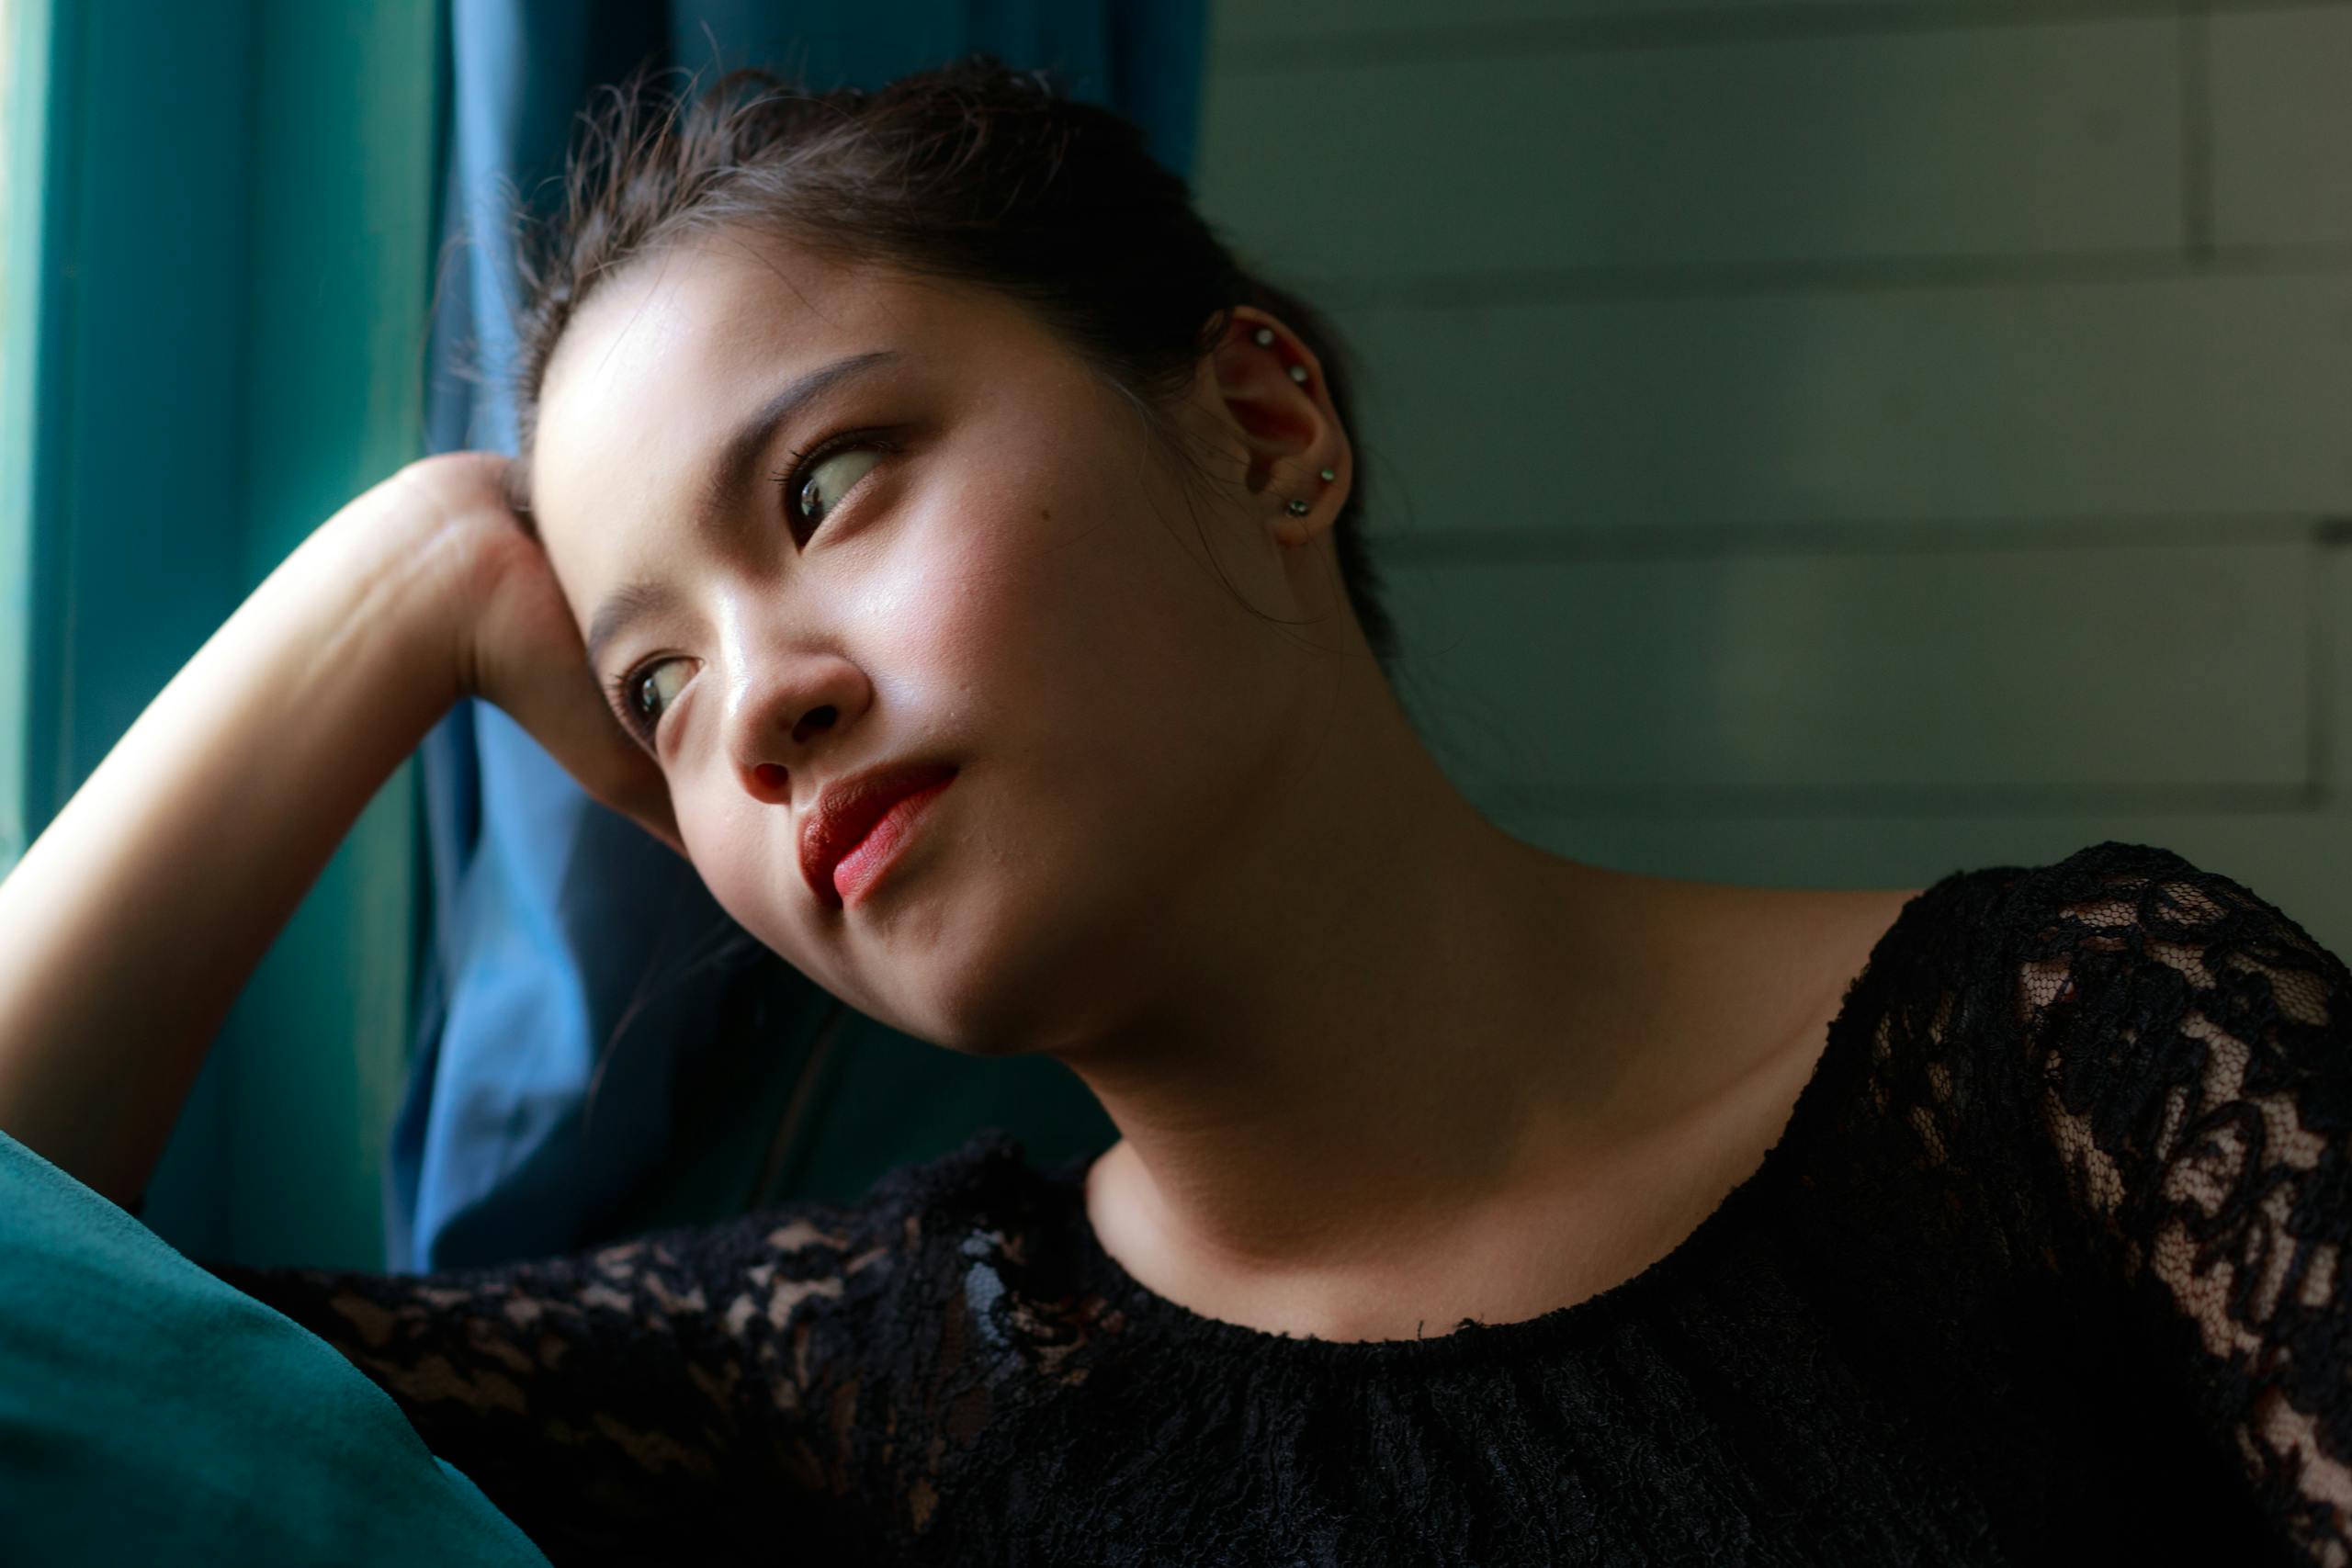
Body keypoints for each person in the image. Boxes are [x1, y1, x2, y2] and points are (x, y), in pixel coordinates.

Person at [1, 54, 2346, 1567]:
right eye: (651, 681)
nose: (762, 711)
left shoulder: (2086, 1058)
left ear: (1257, 426)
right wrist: (391, 580)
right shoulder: (875, 1370)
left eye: (827, 487)